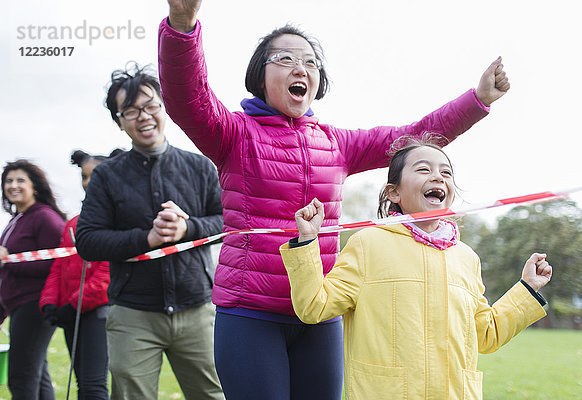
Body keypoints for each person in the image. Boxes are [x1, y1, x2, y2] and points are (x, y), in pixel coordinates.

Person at [159, 2, 510, 398]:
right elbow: (188, 98)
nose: (300, 68)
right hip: (250, 312)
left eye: (310, 62)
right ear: (260, 75)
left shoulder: (337, 144)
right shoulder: (233, 135)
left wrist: (478, 99)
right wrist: (183, 26)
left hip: (320, 315)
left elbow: (416, 137)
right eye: (285, 58)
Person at [280, 140, 552, 399]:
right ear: (393, 192)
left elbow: (486, 334)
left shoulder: (466, 258)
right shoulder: (368, 244)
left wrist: (527, 288)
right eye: (424, 169)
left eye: (446, 172)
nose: (438, 177)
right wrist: (306, 241)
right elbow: (314, 306)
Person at [75, 63, 224, 399]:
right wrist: (147, 239)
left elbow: (228, 222)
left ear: (164, 108)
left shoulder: (200, 166)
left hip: (198, 307)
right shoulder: (106, 176)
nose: (143, 117)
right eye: (130, 111)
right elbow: (86, 241)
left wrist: (188, 227)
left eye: (151, 106)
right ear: (119, 121)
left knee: (214, 393)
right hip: (133, 314)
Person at [39, 149, 123, 399]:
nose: (88, 182)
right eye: (84, 177)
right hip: (71, 313)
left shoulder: (117, 220)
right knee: (81, 384)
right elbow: (58, 267)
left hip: (97, 313)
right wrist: (50, 303)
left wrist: (74, 304)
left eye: (94, 176)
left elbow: (106, 273)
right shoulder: (73, 224)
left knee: (93, 384)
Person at [0, 159, 66, 400]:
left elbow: (58, 263)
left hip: (35, 306)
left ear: (35, 187)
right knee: (38, 375)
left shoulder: (45, 217)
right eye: (8, 181)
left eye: (20, 180)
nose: (13, 185)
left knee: (21, 376)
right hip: (18, 306)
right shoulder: (16, 220)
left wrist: (12, 261)